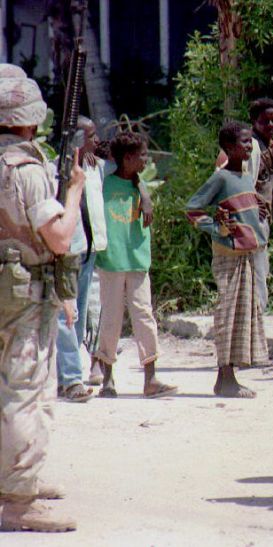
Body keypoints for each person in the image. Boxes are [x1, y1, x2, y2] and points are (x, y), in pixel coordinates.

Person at [0, 64, 81, 532]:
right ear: (28, 120)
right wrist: (72, 191)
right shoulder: (27, 170)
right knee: (24, 392)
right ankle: (19, 501)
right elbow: (60, 239)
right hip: (23, 294)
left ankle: (16, 479)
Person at [186, 122, 269, 398]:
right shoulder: (220, 178)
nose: (249, 146)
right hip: (228, 257)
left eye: (250, 142)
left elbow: (241, 206)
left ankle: (228, 378)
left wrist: (259, 208)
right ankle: (225, 378)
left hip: (246, 254)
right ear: (230, 147)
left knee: (241, 316)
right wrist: (217, 229)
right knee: (227, 315)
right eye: (245, 142)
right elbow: (193, 209)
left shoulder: (244, 175)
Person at [92, 132, 177, 399]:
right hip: (111, 261)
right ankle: (107, 379)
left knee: (144, 316)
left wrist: (143, 191)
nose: (146, 160)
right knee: (111, 319)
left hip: (138, 261)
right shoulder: (104, 185)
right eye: (142, 155)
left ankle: (150, 379)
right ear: (127, 158)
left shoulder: (140, 187)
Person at [55, 116, 107, 401]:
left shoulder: (93, 168)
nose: (95, 141)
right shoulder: (59, 172)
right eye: (90, 136)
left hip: (89, 251)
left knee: (79, 316)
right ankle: (72, 379)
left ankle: (67, 376)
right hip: (69, 252)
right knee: (67, 316)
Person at [217, 98, 273, 312]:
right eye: (266, 121)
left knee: (255, 272)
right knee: (256, 273)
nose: (271, 125)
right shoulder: (252, 146)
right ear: (254, 121)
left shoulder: (262, 144)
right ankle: (255, 323)